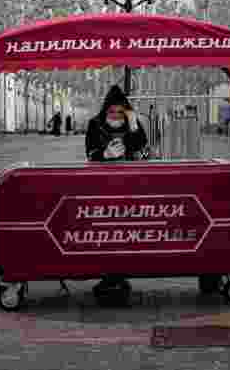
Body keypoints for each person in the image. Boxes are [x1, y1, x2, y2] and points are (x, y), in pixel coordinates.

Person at [84, 85, 148, 300]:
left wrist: (132, 122)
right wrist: (105, 154)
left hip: (130, 185)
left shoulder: (132, 124)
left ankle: (120, 271)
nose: (115, 115)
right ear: (105, 111)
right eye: (112, 112)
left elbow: (141, 144)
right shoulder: (95, 125)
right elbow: (90, 154)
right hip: (103, 186)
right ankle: (109, 274)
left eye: (120, 112)